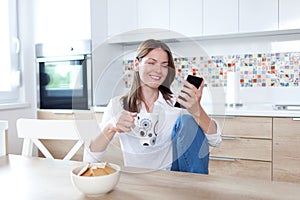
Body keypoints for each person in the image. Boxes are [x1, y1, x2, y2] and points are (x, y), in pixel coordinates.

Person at [84, 39, 222, 174]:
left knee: (187, 121)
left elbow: (215, 140)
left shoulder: (176, 104)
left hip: (172, 175)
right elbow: (90, 157)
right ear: (137, 64)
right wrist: (111, 126)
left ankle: (197, 191)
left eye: (164, 65)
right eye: (151, 63)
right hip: (139, 179)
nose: (158, 70)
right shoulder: (118, 105)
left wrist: (197, 110)